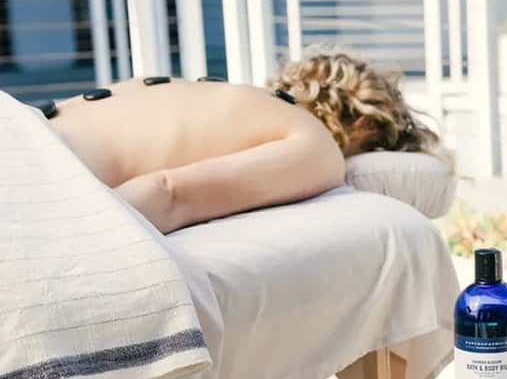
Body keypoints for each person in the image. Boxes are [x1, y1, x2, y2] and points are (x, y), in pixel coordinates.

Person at [45, 47, 438, 234]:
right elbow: (167, 193)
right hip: (42, 174)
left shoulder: (227, 96)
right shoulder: (314, 145)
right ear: (366, 128)